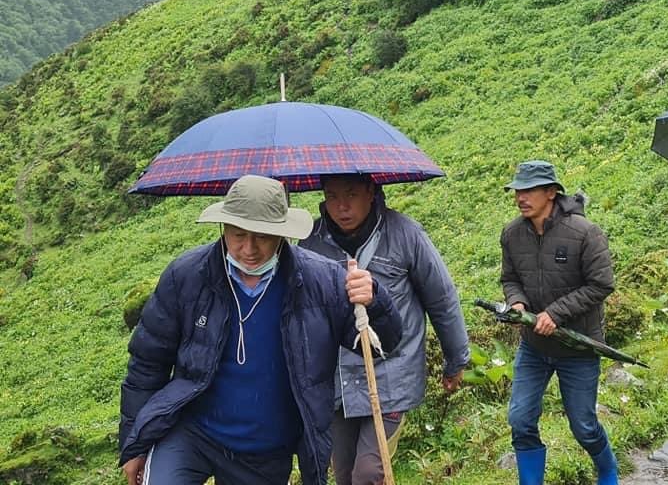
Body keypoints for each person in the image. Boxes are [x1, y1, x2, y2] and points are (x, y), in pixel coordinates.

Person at [119, 175, 402, 485]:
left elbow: (381, 345)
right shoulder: (187, 277)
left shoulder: (323, 283)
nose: (249, 249)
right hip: (191, 434)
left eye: (263, 237)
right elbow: (147, 364)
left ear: (282, 234)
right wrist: (135, 443)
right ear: (223, 228)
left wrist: (373, 301)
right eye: (238, 235)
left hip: (264, 451)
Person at [300, 174, 469, 485]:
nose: (341, 206)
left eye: (351, 195)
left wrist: (455, 359)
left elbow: (441, 298)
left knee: (369, 474)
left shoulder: (405, 233)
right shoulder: (310, 243)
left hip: (391, 379)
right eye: (332, 196)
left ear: (371, 192)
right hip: (337, 384)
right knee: (344, 476)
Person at [499, 160, 618, 485]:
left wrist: (555, 313)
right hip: (534, 346)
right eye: (517, 190)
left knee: (583, 425)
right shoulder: (512, 234)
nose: (521, 197)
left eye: (530, 190)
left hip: (577, 345)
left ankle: (607, 468)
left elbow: (602, 284)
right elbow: (510, 278)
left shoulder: (584, 233)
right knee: (520, 420)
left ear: (551, 192)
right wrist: (517, 302)